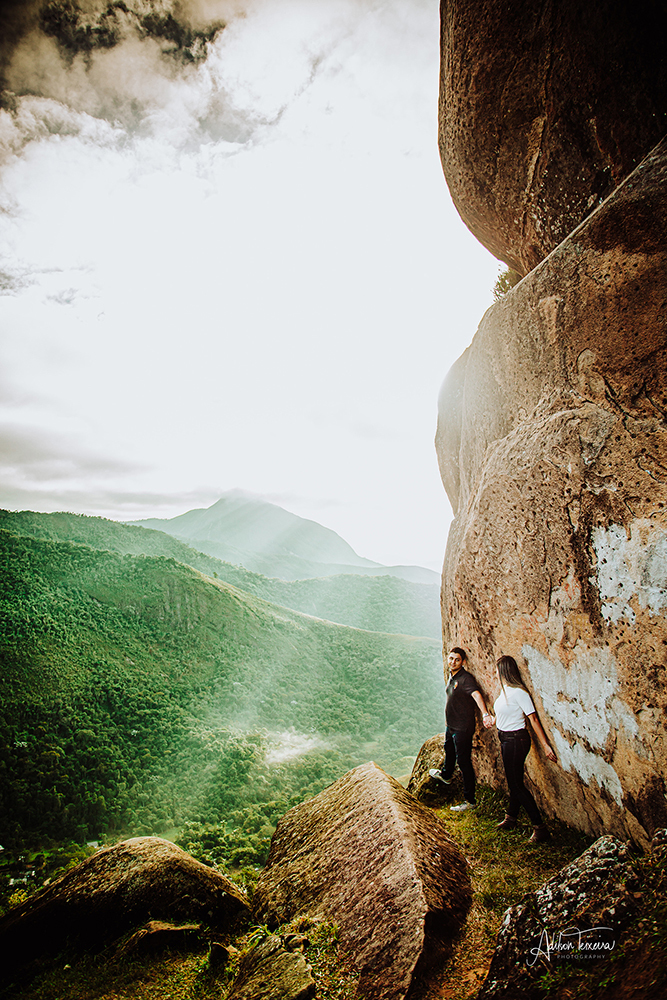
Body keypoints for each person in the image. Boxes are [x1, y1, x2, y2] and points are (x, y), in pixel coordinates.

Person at [487, 654, 557, 843]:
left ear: (503, 671)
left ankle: (540, 828)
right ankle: (511, 818)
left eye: (497, 669)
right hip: (505, 738)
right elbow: (503, 716)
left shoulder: (519, 693)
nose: (495, 672)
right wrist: (492, 720)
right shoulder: (504, 692)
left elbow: (532, 719)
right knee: (514, 781)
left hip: (516, 740)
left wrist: (545, 745)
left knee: (516, 785)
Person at [429, 646, 494, 811]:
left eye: (457, 659)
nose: (453, 662)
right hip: (451, 725)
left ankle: (470, 801)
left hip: (463, 728)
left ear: (463, 662)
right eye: (451, 658)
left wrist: (485, 714)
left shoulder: (466, 679)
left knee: (464, 761)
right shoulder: (453, 676)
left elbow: (477, 695)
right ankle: (446, 775)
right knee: (448, 749)